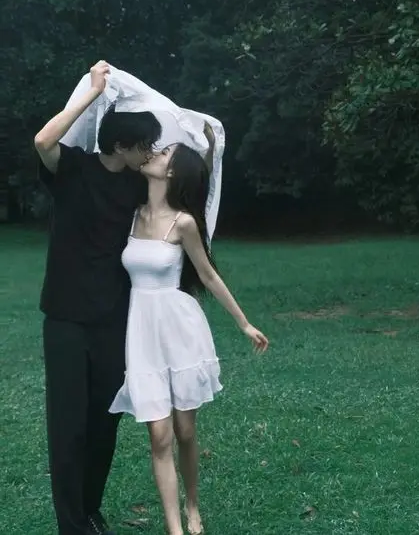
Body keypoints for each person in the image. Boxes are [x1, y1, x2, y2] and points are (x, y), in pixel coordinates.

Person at [108, 133, 269, 535]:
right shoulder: (132, 213)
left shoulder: (183, 223)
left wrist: (244, 323)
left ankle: (192, 503)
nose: (153, 153)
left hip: (179, 329)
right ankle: (175, 529)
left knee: (184, 431)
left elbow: (209, 276)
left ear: (173, 172)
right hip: (141, 334)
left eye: (164, 153)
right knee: (159, 436)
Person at [35, 60, 162, 535]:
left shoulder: (137, 184)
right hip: (66, 319)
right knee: (68, 427)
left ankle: (90, 509)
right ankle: (72, 524)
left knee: (104, 423)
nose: (149, 152)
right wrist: (92, 93)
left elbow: (181, 179)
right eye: (143, 144)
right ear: (120, 145)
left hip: (114, 317)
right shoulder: (73, 168)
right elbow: (43, 141)